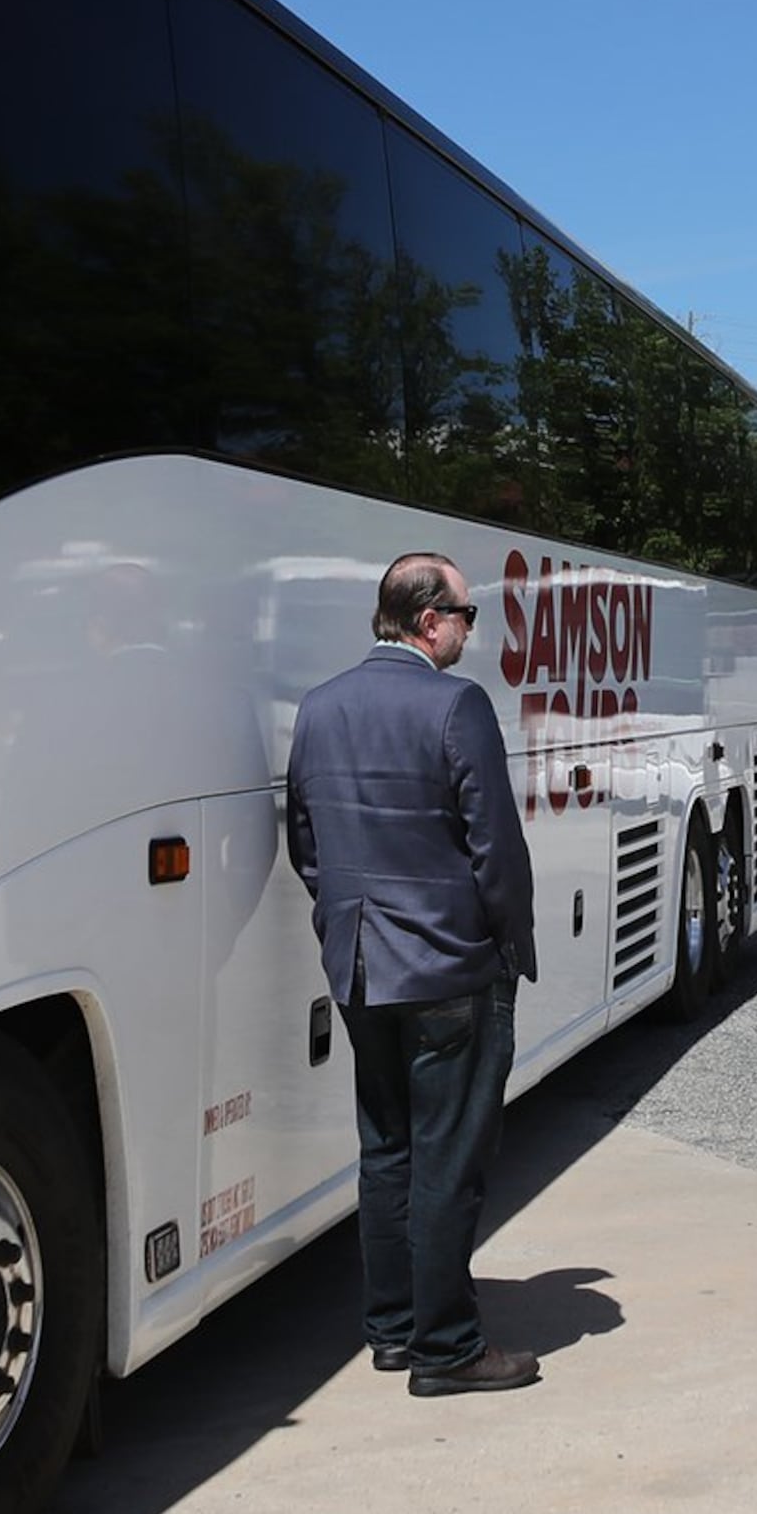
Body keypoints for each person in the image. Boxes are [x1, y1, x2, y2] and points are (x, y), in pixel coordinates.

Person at [283, 552, 542, 1395]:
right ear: (429, 621)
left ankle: (391, 1331)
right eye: (467, 614)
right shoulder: (456, 704)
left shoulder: (319, 708)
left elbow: (306, 843)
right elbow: (495, 846)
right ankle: (448, 1348)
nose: (472, 628)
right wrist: (511, 942)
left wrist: (347, 922)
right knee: (448, 1159)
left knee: (386, 1151)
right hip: (447, 970)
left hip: (361, 974)